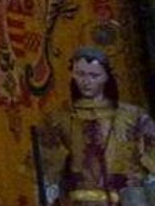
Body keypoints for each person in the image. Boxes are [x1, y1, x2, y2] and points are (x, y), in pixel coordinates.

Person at [39, 48, 155, 204]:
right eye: (81, 74)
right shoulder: (59, 120)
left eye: (94, 75)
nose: (86, 82)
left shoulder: (134, 117)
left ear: (106, 76)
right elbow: (46, 171)